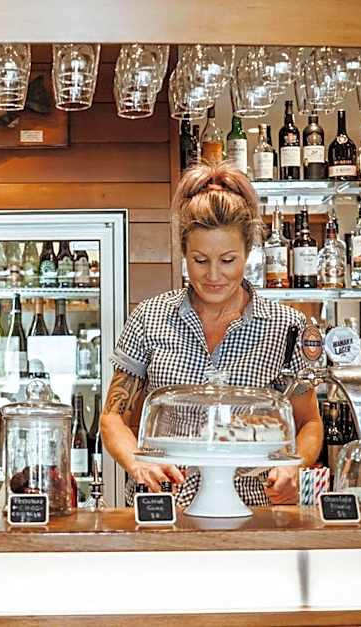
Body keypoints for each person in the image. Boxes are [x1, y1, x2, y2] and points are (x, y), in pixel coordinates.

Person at [101, 160, 322, 507]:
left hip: (250, 512)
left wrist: (293, 466)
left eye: (228, 260)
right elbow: (113, 416)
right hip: (163, 509)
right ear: (184, 253)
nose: (214, 275)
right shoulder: (150, 316)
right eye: (200, 260)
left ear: (248, 252)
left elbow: (309, 423)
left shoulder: (286, 327)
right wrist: (138, 462)